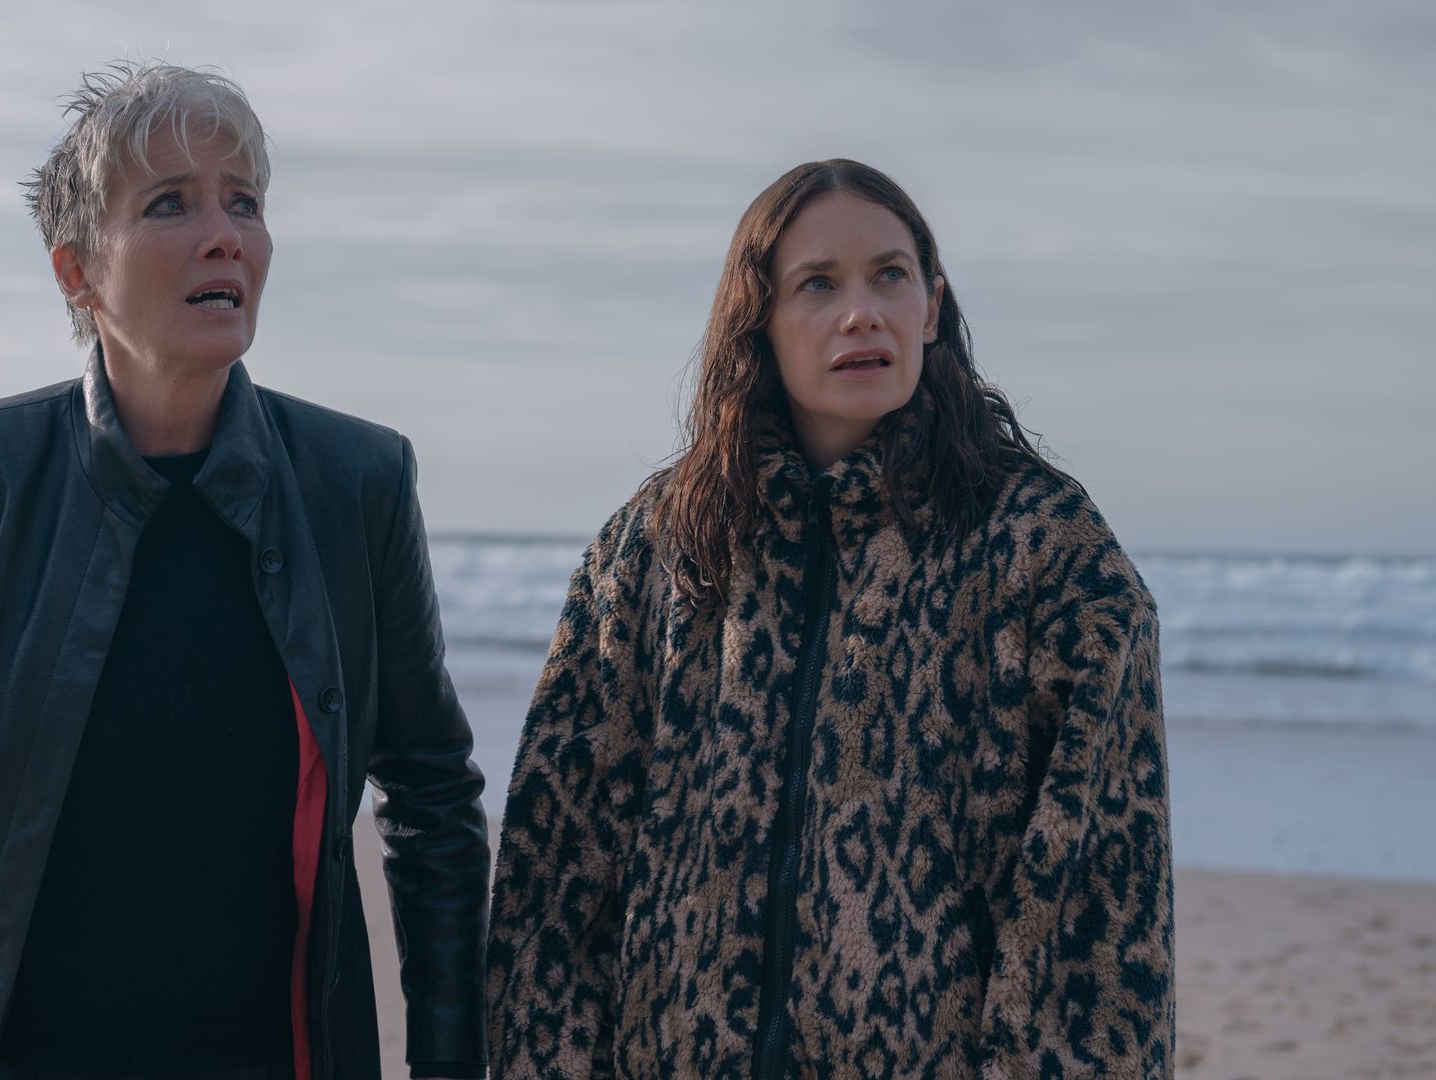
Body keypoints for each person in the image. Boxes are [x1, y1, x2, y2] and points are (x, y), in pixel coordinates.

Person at [0, 62, 489, 1080]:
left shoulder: (354, 485)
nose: (225, 234)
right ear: (78, 274)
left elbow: (433, 809)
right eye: (171, 203)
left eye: (243, 201)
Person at [486, 160, 1172, 1078]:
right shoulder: (657, 545)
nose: (862, 313)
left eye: (890, 275)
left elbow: (1100, 912)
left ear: (933, 305)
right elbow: (559, 872)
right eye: (818, 285)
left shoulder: (1047, 553)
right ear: (758, 322)